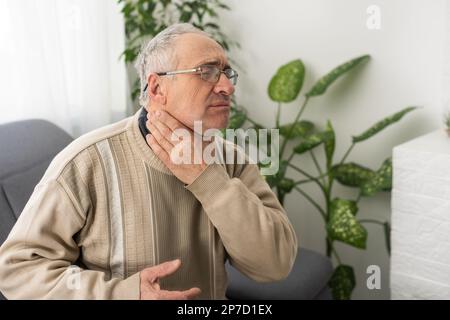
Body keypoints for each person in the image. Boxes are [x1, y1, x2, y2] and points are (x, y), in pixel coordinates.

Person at [0, 23, 297, 300]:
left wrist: (209, 180)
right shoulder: (85, 162)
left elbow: (275, 264)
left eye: (226, 73)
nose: (227, 87)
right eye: (207, 71)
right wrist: (124, 293)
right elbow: (17, 270)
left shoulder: (232, 160)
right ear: (156, 88)